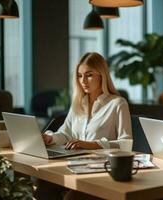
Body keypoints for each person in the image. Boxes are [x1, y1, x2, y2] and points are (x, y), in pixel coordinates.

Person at [34, 52, 132, 200]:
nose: (83, 81)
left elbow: (126, 144)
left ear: (102, 75)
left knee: (73, 198)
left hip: (101, 171)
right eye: (79, 76)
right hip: (74, 165)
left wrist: (91, 145)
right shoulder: (78, 104)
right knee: (42, 187)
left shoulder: (117, 104)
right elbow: (66, 134)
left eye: (89, 75)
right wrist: (50, 138)